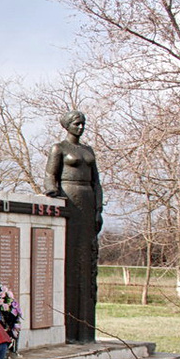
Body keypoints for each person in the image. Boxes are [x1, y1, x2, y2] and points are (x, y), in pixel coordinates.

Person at [44, 110, 103, 343]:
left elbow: (96, 182)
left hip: (88, 201)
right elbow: (51, 176)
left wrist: (98, 209)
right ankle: (70, 328)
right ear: (68, 125)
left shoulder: (88, 151)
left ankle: (86, 330)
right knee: (70, 258)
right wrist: (54, 194)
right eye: (77, 123)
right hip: (69, 196)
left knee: (86, 259)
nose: (80, 127)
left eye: (83, 124)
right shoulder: (59, 149)